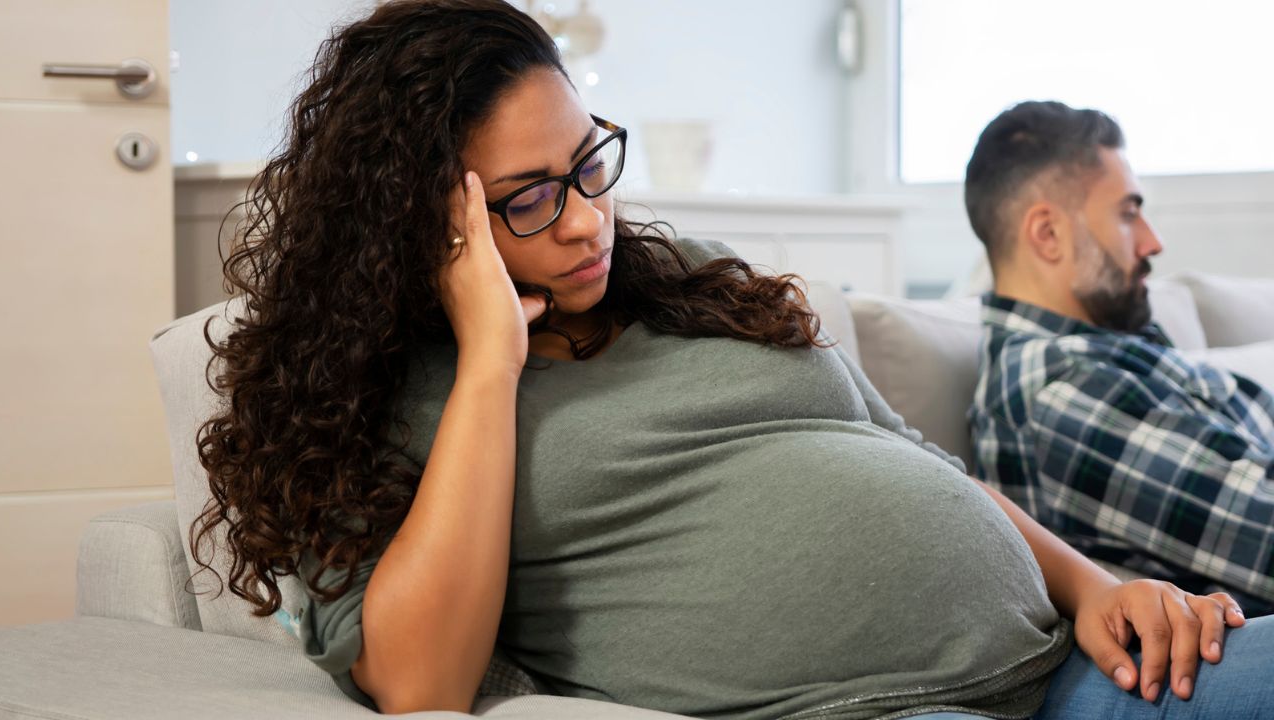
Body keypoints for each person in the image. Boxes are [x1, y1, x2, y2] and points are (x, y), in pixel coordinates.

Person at [190, 4, 1271, 719]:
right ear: (421, 222)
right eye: (530, 197)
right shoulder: (386, 405)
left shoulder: (686, 282)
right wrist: (488, 360)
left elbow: (904, 455)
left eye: (588, 165)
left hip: (1070, 665)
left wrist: (1093, 585)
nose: (586, 222)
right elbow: (417, 681)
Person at [964, 101, 1274, 619]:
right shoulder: (1061, 390)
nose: (1154, 241)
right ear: (1048, 234)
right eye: (1128, 213)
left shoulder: (1113, 347)